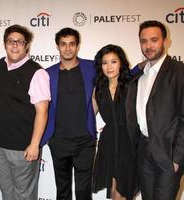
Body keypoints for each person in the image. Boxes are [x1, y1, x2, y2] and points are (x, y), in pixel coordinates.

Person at [0, 24, 50, 200]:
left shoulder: (37, 73)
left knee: (24, 195)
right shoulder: (0, 65)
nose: (14, 45)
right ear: (4, 44)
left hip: (21, 148)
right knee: (7, 192)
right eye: (10, 41)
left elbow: (42, 111)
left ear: (27, 45)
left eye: (19, 42)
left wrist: (34, 144)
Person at [126, 20, 184, 200]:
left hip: (168, 154)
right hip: (143, 151)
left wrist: (177, 157)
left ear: (165, 42)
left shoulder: (179, 72)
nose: (148, 46)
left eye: (154, 40)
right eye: (143, 41)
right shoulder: (139, 77)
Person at [41, 27, 96, 200]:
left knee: (83, 192)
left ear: (78, 46)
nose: (68, 48)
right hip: (59, 141)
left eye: (72, 44)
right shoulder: (47, 74)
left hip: (85, 141)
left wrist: (140, 68)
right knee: (62, 191)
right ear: (57, 46)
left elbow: (117, 77)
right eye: (63, 44)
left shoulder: (92, 67)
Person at [92, 44, 139, 200]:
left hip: (129, 141)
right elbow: (89, 114)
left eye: (113, 61)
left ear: (121, 63)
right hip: (109, 142)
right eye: (105, 63)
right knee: (113, 192)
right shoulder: (99, 87)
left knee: (122, 192)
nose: (109, 67)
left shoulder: (132, 84)